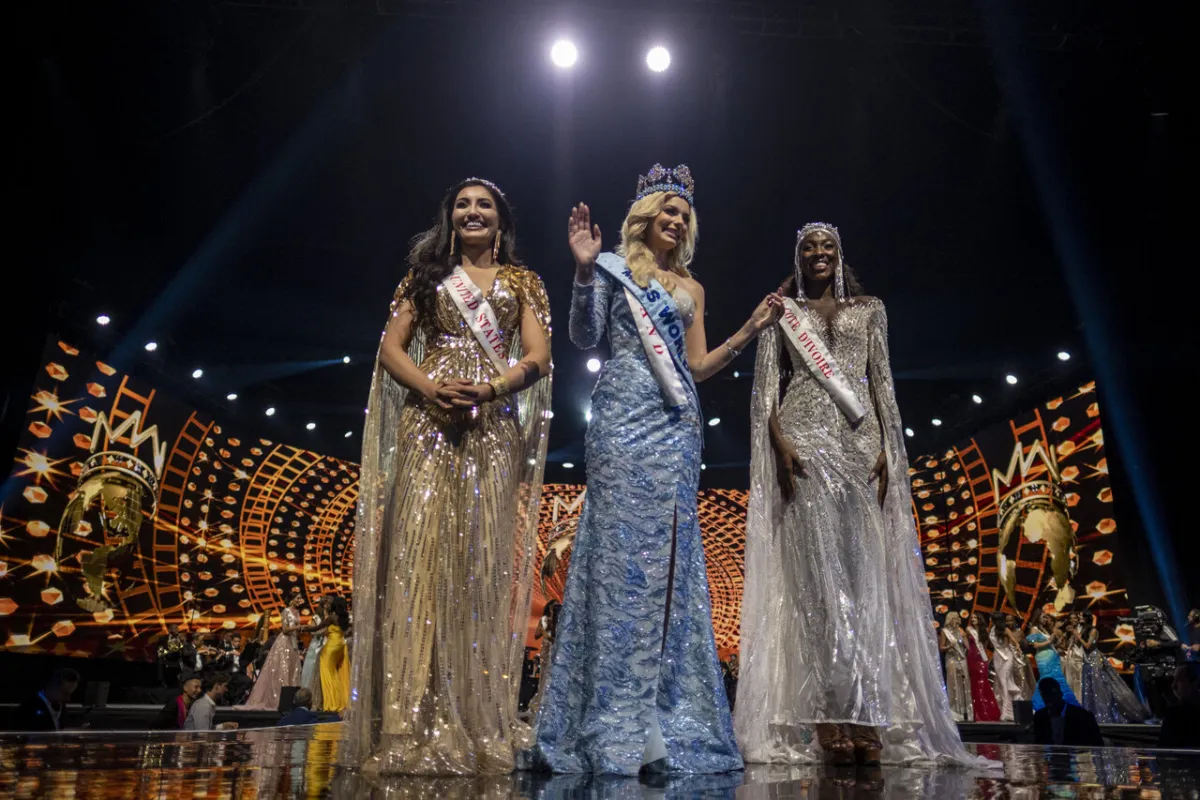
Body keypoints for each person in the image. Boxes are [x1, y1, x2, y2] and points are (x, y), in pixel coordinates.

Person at [534, 165, 779, 776]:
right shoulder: (614, 268)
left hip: (675, 427)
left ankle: (658, 720)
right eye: (666, 211)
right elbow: (585, 337)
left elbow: (694, 367)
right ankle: (616, 720)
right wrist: (584, 270)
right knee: (619, 564)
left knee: (666, 568)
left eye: (683, 215)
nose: (675, 221)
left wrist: (749, 330)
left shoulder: (692, 289)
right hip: (620, 418)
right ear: (644, 217)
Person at [737, 222, 987, 767]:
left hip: (859, 449)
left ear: (839, 253)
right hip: (803, 450)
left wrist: (891, 452)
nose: (819, 253)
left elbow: (882, 383)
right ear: (797, 255)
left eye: (827, 246)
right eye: (809, 247)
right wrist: (777, 442)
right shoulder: (783, 312)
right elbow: (765, 390)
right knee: (817, 594)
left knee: (865, 587)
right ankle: (830, 717)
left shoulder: (871, 309)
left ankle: (868, 713)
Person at [342, 177, 552, 776]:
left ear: (501, 220)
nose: (473, 211)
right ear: (449, 218)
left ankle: (479, 720)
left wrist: (489, 388)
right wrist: (432, 387)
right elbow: (390, 348)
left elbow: (538, 356)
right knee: (418, 563)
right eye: (463, 204)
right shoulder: (426, 278)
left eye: (484, 204)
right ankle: (407, 726)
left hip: (493, 427)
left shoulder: (523, 282)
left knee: (480, 566)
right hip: (426, 422)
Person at [1077, 614, 1150, 724]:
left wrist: (1077, 636)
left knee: (1100, 687)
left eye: (1081, 616)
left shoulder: (1093, 631)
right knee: (1090, 688)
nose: (1079, 618)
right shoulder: (1083, 631)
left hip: (1094, 660)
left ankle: (1108, 714)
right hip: (1086, 660)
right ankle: (1094, 714)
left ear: (1086, 618)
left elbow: (1088, 646)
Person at [238, 590, 304, 710]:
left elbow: (294, 629)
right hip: (284, 643)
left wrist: (299, 630)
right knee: (282, 670)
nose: (300, 601)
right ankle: (278, 699)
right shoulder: (286, 611)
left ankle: (290, 700)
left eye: (300, 598)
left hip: (293, 642)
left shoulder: (297, 612)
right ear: (291, 599)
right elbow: (284, 629)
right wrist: (297, 627)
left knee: (292, 669)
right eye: (298, 598)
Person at [1028, 609, 1080, 711]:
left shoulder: (1044, 629)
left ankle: (1063, 705)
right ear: (1037, 617)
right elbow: (1035, 645)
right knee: (1046, 680)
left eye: (1046, 617)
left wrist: (1056, 643)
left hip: (1053, 656)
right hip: (1043, 659)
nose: (1045, 619)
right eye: (1043, 617)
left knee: (1058, 680)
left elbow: (1051, 644)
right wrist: (1050, 641)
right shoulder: (1034, 629)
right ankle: (1039, 706)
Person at [1032, 678, 1103, 746]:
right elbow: (1037, 742)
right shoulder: (1039, 717)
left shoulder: (1082, 716)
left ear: (1060, 694)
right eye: (1045, 694)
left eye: (1051, 693)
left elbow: (1096, 744)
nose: (1048, 697)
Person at [13, 669, 80, 732]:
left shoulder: (60, 705)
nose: (68, 699)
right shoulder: (28, 707)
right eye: (65, 693)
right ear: (52, 686)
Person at [527, 599, 560, 718]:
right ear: (549, 608)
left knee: (550, 674)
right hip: (548, 648)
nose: (556, 608)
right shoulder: (546, 619)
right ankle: (541, 702)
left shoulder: (556, 619)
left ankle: (546, 702)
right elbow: (542, 635)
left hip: (551, 647)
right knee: (546, 673)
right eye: (554, 606)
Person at [318, 596, 351, 715]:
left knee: (328, 674)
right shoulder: (345, 618)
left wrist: (301, 628)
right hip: (341, 646)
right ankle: (342, 701)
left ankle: (332, 703)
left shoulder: (332, 617)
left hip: (331, 647)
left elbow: (317, 627)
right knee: (339, 674)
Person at [965, 613, 1001, 722]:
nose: (973, 619)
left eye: (975, 617)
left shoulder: (984, 630)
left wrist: (984, 656)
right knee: (975, 683)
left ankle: (988, 711)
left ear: (980, 619)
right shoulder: (968, 629)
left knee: (983, 682)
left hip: (982, 657)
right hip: (972, 657)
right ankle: (978, 712)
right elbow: (966, 644)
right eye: (972, 618)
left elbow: (986, 645)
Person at [1158, 663, 1200, 748]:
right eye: (1174, 680)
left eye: (1180, 680)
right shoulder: (1173, 711)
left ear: (1195, 683)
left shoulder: (1175, 713)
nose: (1173, 685)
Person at [942, 613, 974, 722]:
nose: (958, 620)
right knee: (953, 685)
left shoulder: (961, 631)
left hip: (962, 658)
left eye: (958, 618)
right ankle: (954, 712)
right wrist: (949, 646)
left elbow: (968, 647)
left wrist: (964, 636)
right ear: (950, 619)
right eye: (956, 618)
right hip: (951, 659)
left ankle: (966, 712)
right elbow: (941, 648)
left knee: (964, 684)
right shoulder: (944, 631)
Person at [989, 613, 1021, 722]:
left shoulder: (1006, 629)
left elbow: (1014, 641)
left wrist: (1018, 648)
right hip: (998, 657)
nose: (991, 621)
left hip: (1007, 656)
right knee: (1002, 683)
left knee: (1004, 682)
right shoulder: (992, 630)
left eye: (992, 619)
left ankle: (1006, 712)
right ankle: (1011, 708)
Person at [299, 595, 328, 712]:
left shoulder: (329, 617)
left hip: (326, 644)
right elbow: (311, 632)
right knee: (312, 670)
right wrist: (321, 632)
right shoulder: (315, 617)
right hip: (316, 645)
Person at [1062, 611, 1086, 700]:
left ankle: (1080, 700)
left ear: (1078, 619)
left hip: (1079, 655)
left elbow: (1079, 642)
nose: (1073, 620)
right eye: (1071, 618)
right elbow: (1066, 646)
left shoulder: (1082, 628)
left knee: (1079, 680)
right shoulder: (1068, 630)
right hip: (1070, 656)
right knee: (1070, 680)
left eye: (1075, 618)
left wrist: (1073, 631)